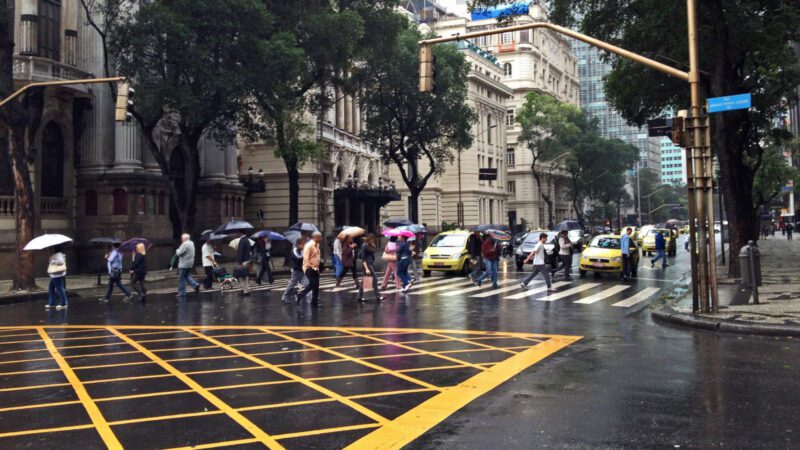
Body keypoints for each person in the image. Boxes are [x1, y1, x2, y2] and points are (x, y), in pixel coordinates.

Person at [297, 231, 322, 307]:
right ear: (314, 237)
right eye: (319, 237)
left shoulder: (317, 245)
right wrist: (309, 267)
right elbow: (306, 258)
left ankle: (314, 303)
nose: (320, 238)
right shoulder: (309, 245)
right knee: (312, 284)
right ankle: (300, 295)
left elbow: (316, 256)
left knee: (316, 286)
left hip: (316, 268)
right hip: (309, 268)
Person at [357, 234, 384, 302]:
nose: (374, 240)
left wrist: (373, 246)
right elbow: (363, 258)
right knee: (375, 279)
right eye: (373, 239)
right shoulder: (364, 245)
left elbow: (371, 252)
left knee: (364, 281)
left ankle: (359, 297)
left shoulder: (369, 245)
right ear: (370, 239)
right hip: (367, 265)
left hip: (370, 264)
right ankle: (378, 297)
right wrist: (366, 268)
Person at [282, 237, 307, 304]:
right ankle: (285, 297)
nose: (304, 245)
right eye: (303, 244)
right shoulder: (295, 251)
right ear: (298, 244)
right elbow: (298, 259)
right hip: (297, 271)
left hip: (303, 270)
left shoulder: (302, 250)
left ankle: (311, 296)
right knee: (292, 284)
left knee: (308, 284)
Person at [175, 233, 200, 298]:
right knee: (186, 275)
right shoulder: (191, 243)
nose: (181, 240)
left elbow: (179, 253)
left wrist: (177, 250)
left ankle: (182, 293)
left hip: (183, 264)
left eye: (182, 238)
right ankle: (195, 285)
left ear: (184, 239)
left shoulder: (185, 244)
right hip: (190, 264)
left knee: (181, 279)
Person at [46, 246, 68, 310]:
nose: (49, 250)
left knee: (59, 288)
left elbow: (61, 262)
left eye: (50, 248)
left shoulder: (58, 255)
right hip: (55, 275)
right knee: (52, 287)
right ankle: (51, 303)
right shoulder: (56, 254)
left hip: (57, 275)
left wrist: (53, 261)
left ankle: (64, 303)